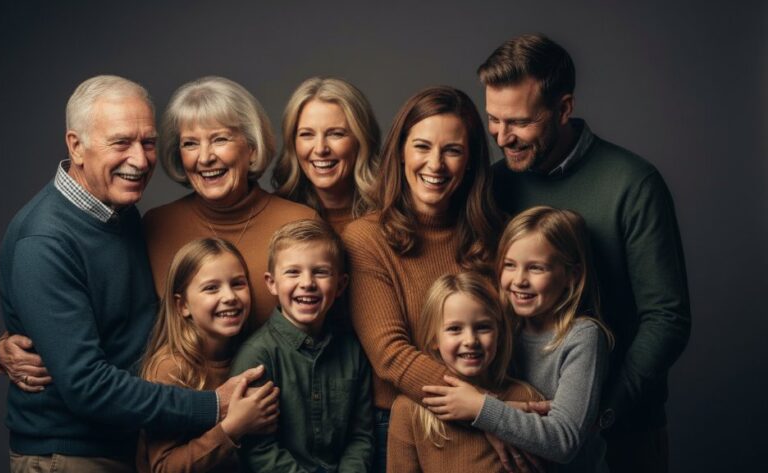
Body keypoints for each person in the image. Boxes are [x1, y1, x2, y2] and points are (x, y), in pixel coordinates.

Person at [0, 75, 262, 471]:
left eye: (149, 142)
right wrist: (213, 406)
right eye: (121, 142)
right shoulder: (44, 239)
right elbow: (87, 385)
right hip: (72, 455)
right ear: (76, 146)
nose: (139, 160)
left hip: (129, 445)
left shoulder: (120, 214)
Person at [480, 34, 691, 472]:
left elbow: (667, 318)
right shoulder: (496, 184)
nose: (503, 137)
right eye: (494, 121)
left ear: (564, 108)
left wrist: (598, 415)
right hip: (525, 425)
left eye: (518, 122)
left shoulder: (632, 183)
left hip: (624, 431)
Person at [341, 86, 504, 471]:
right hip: (404, 424)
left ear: (470, 163)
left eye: (452, 150)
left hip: (494, 412)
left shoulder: (496, 238)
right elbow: (390, 354)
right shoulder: (366, 238)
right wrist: (487, 411)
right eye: (422, 147)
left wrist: (494, 413)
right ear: (400, 152)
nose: (436, 164)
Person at [423, 207, 614, 472]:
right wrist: (497, 412)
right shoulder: (502, 327)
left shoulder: (583, 338)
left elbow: (563, 440)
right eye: (510, 265)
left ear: (572, 275)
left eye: (536, 268)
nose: (519, 281)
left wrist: (482, 408)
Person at [143, 76, 318, 329]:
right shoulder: (156, 226)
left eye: (219, 139)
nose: (204, 158)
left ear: (252, 148)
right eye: (190, 143)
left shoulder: (300, 222)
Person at [230, 219, 374, 472]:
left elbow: (361, 435)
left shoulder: (352, 350)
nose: (307, 282)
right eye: (293, 272)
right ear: (271, 283)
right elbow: (258, 449)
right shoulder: (257, 355)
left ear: (340, 284)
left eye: (320, 272)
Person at [136, 238, 280, 473]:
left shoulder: (253, 355)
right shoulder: (171, 367)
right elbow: (162, 468)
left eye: (238, 283)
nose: (229, 296)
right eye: (211, 288)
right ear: (182, 306)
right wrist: (232, 428)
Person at [387, 272, 540, 473]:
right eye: (455, 329)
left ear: (500, 334)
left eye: (483, 327)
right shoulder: (408, 410)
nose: (470, 340)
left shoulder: (524, 399)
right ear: (434, 338)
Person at [272, 77, 381, 234]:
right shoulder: (276, 216)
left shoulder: (393, 216)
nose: (320, 149)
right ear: (292, 142)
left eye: (336, 134)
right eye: (307, 134)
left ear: (361, 140)